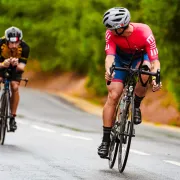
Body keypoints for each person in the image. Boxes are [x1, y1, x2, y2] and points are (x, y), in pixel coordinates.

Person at [98, 7, 162, 158]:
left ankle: (137, 105)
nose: (109, 31)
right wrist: (109, 70)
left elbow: (155, 61)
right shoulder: (111, 34)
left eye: (112, 28)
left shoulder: (144, 32)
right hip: (120, 59)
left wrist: (155, 78)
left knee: (146, 71)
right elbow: (110, 57)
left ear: (121, 27)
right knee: (114, 95)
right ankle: (106, 141)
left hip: (140, 58)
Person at [0, 26, 30, 131]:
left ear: (20, 41)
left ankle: (12, 117)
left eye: (16, 43)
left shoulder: (25, 47)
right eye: (11, 43)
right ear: (6, 40)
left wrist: (16, 65)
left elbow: (22, 67)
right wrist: (4, 64)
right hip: (1, 65)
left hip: (15, 69)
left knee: (15, 86)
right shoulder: (0, 44)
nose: (13, 46)